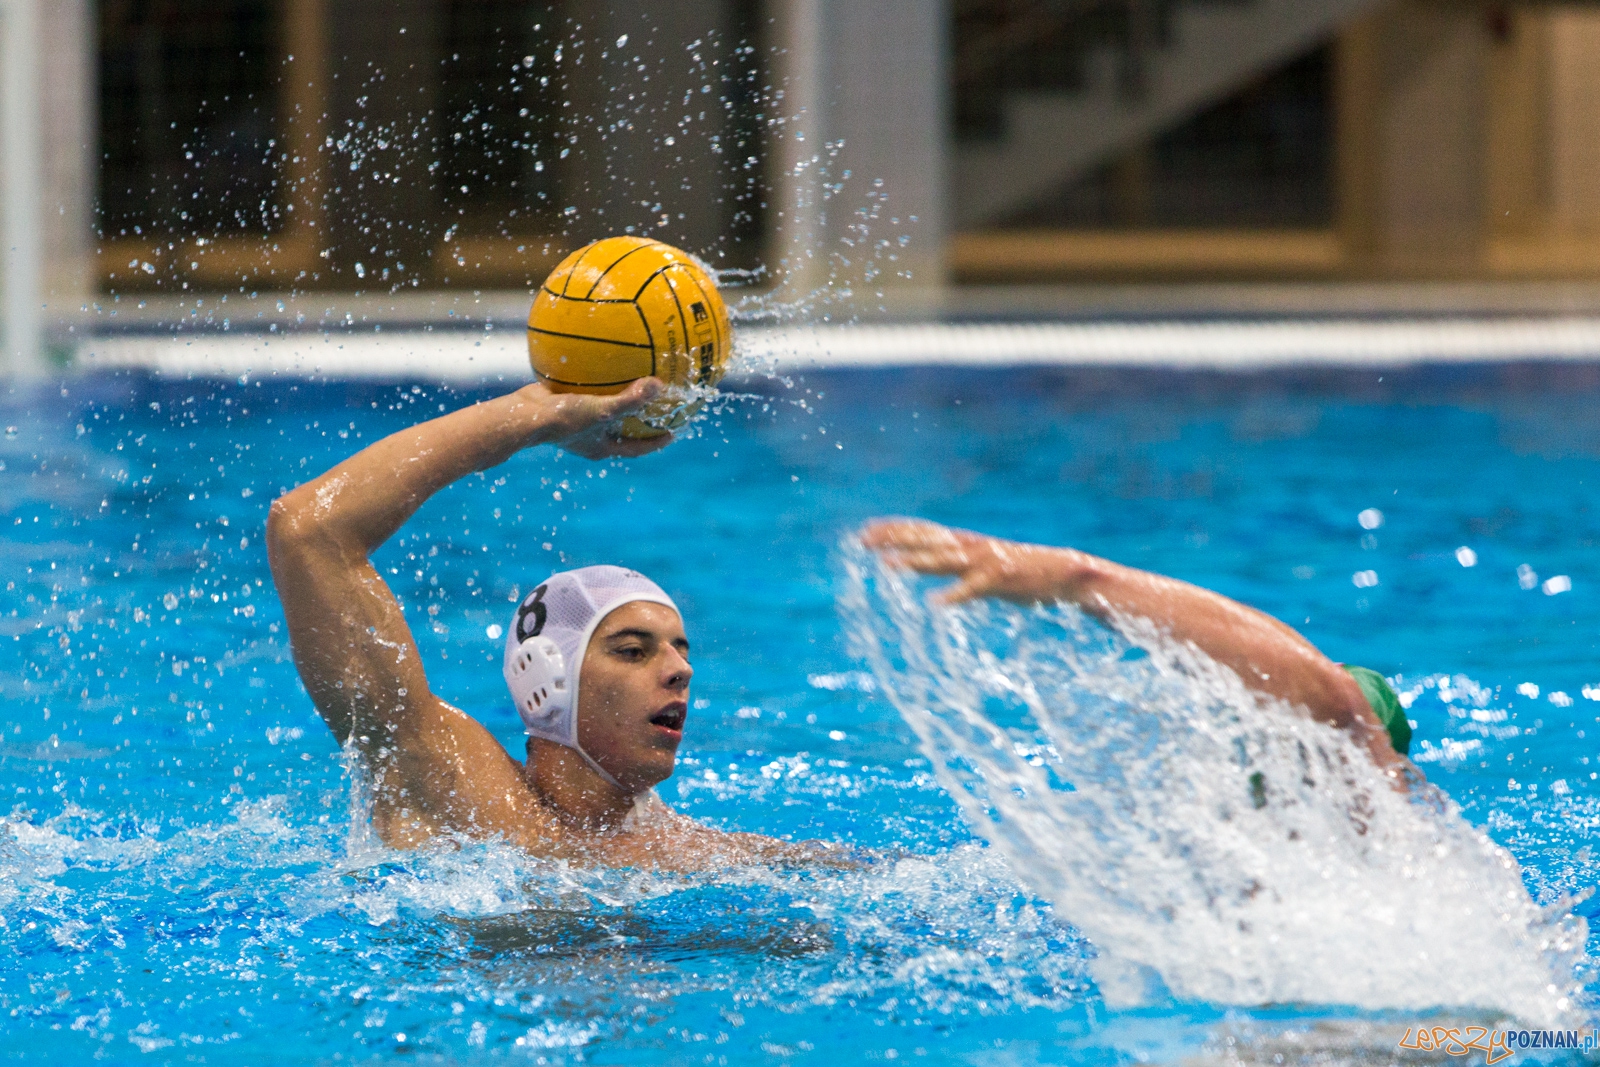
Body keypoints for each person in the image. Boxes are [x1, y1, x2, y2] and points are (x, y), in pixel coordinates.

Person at [267, 378, 1414, 873]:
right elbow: (307, 530)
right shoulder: (434, 770)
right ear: (546, 685)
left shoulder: (687, 853)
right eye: (633, 646)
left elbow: (915, 888)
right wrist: (537, 414)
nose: (677, 671)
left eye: (681, 649)